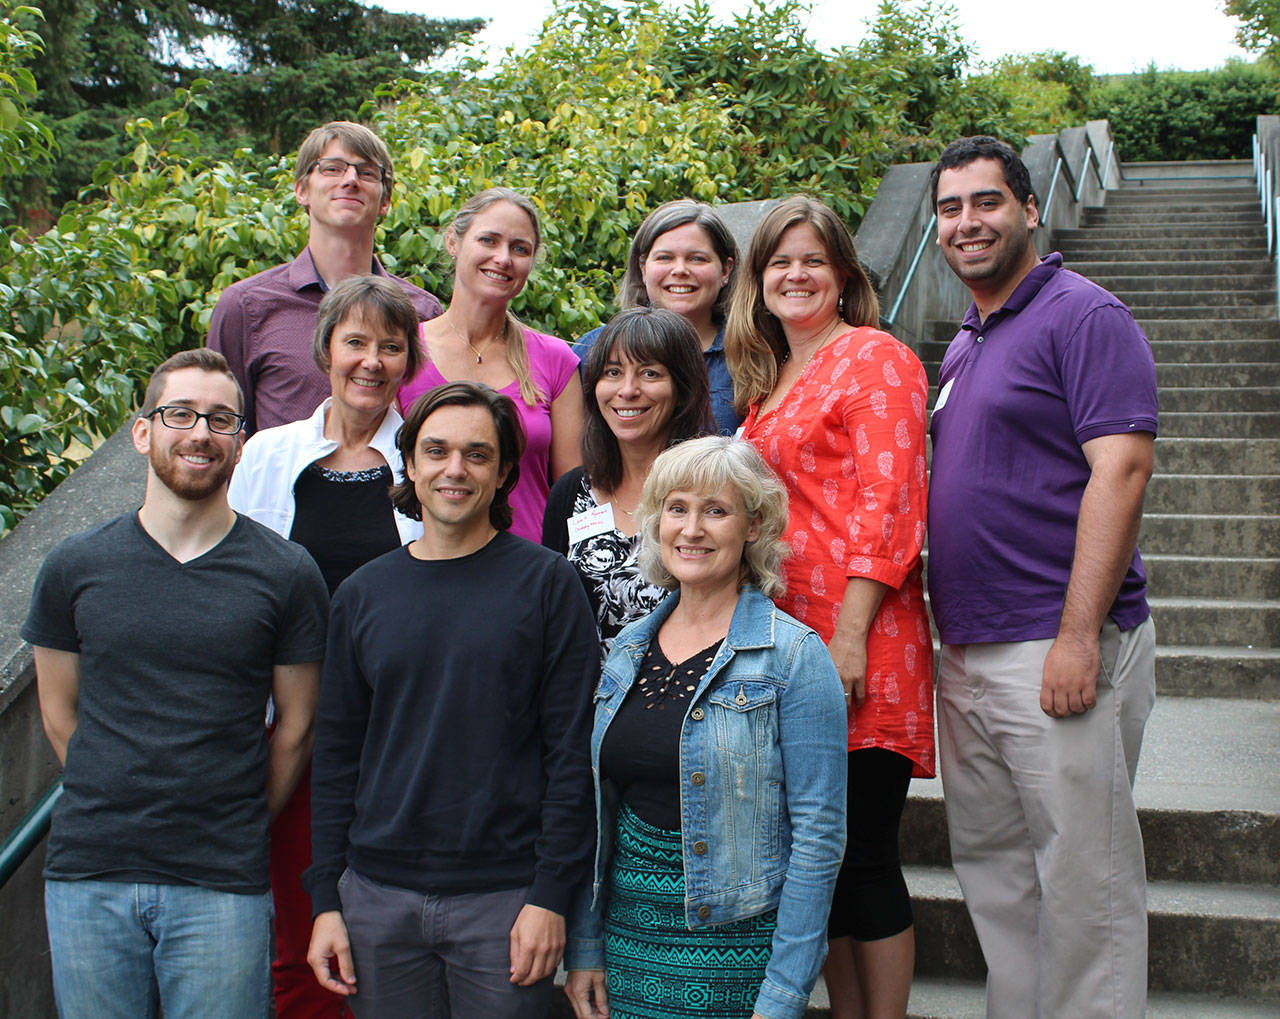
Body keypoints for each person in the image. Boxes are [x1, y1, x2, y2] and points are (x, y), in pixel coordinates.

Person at [22, 349, 329, 1018]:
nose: (199, 432)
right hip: (90, 874)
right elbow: (58, 710)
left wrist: (236, 814)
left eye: (221, 419)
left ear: (240, 443)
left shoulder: (286, 573)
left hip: (222, 878)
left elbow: (298, 726)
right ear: (143, 431)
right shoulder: (74, 565)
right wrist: (120, 789)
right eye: (180, 413)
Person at [927, 136, 1158, 1018]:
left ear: (1029, 208)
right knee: (997, 879)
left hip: (1055, 646)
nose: (965, 222)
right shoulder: (965, 343)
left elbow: (1122, 471)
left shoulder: (1083, 315)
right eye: (949, 208)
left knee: (1085, 886)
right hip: (971, 649)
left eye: (985, 202)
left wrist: (1075, 637)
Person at [304, 381, 598, 1018]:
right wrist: (327, 898)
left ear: (503, 475)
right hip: (378, 898)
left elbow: (572, 753)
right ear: (409, 463)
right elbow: (334, 755)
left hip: (505, 898)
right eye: (435, 451)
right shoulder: (361, 594)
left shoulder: (548, 586)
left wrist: (551, 896)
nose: (454, 470)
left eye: (477, 454)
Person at [729, 195, 934, 1019]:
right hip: (790, 641)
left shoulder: (874, 357)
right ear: (760, 280)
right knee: (824, 857)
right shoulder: (771, 381)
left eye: (813, 259)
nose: (796, 274)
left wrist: (849, 636)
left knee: (866, 856)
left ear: (844, 274)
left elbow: (890, 505)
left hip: (863, 636)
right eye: (779, 261)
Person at [563, 436, 847, 1019]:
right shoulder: (625, 654)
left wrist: (785, 991)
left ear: (753, 526)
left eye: (715, 511)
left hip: (737, 949)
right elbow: (600, 813)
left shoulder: (793, 657)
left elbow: (819, 835)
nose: (692, 529)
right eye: (677, 508)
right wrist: (586, 946)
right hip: (627, 941)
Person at [227, 274, 425, 1017]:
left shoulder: (427, 454)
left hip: (400, 736)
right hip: (295, 731)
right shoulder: (268, 455)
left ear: (409, 361)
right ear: (325, 350)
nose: (371, 360)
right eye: (356, 342)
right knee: (299, 936)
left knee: (389, 939)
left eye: (391, 345)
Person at [209, 120, 443, 436]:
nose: (350, 180)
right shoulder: (246, 306)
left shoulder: (423, 313)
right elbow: (221, 431)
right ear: (301, 189)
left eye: (367, 172)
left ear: (385, 201)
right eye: (332, 169)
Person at [397, 187, 584, 541]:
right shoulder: (404, 353)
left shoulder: (555, 360)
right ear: (453, 241)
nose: (503, 258)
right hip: (424, 566)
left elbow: (574, 492)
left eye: (520, 249)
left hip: (530, 571)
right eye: (489, 240)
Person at [542, 306, 714, 658]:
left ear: (683, 387)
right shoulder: (571, 494)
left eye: (650, 373)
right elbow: (549, 617)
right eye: (613, 372)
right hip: (587, 703)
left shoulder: (713, 492)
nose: (628, 390)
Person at [573, 199, 742, 435]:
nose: (680, 269)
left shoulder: (749, 355)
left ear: (726, 270)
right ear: (643, 268)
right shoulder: (593, 350)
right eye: (665, 258)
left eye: (697, 258)